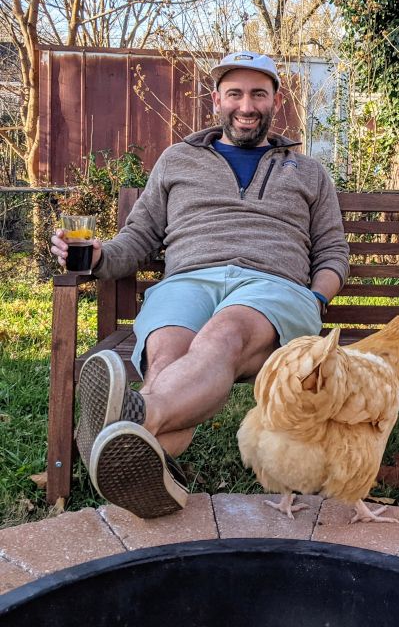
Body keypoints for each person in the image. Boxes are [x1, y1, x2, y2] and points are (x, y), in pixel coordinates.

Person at [50, 52, 349, 519]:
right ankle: (153, 474)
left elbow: (333, 254)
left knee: (222, 336)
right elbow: (139, 238)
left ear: (275, 101)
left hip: (271, 289)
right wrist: (98, 254)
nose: (246, 105)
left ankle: (129, 418)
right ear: (216, 101)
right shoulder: (177, 160)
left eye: (258, 94)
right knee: (167, 358)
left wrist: (314, 297)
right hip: (187, 281)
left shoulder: (308, 171)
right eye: (235, 94)